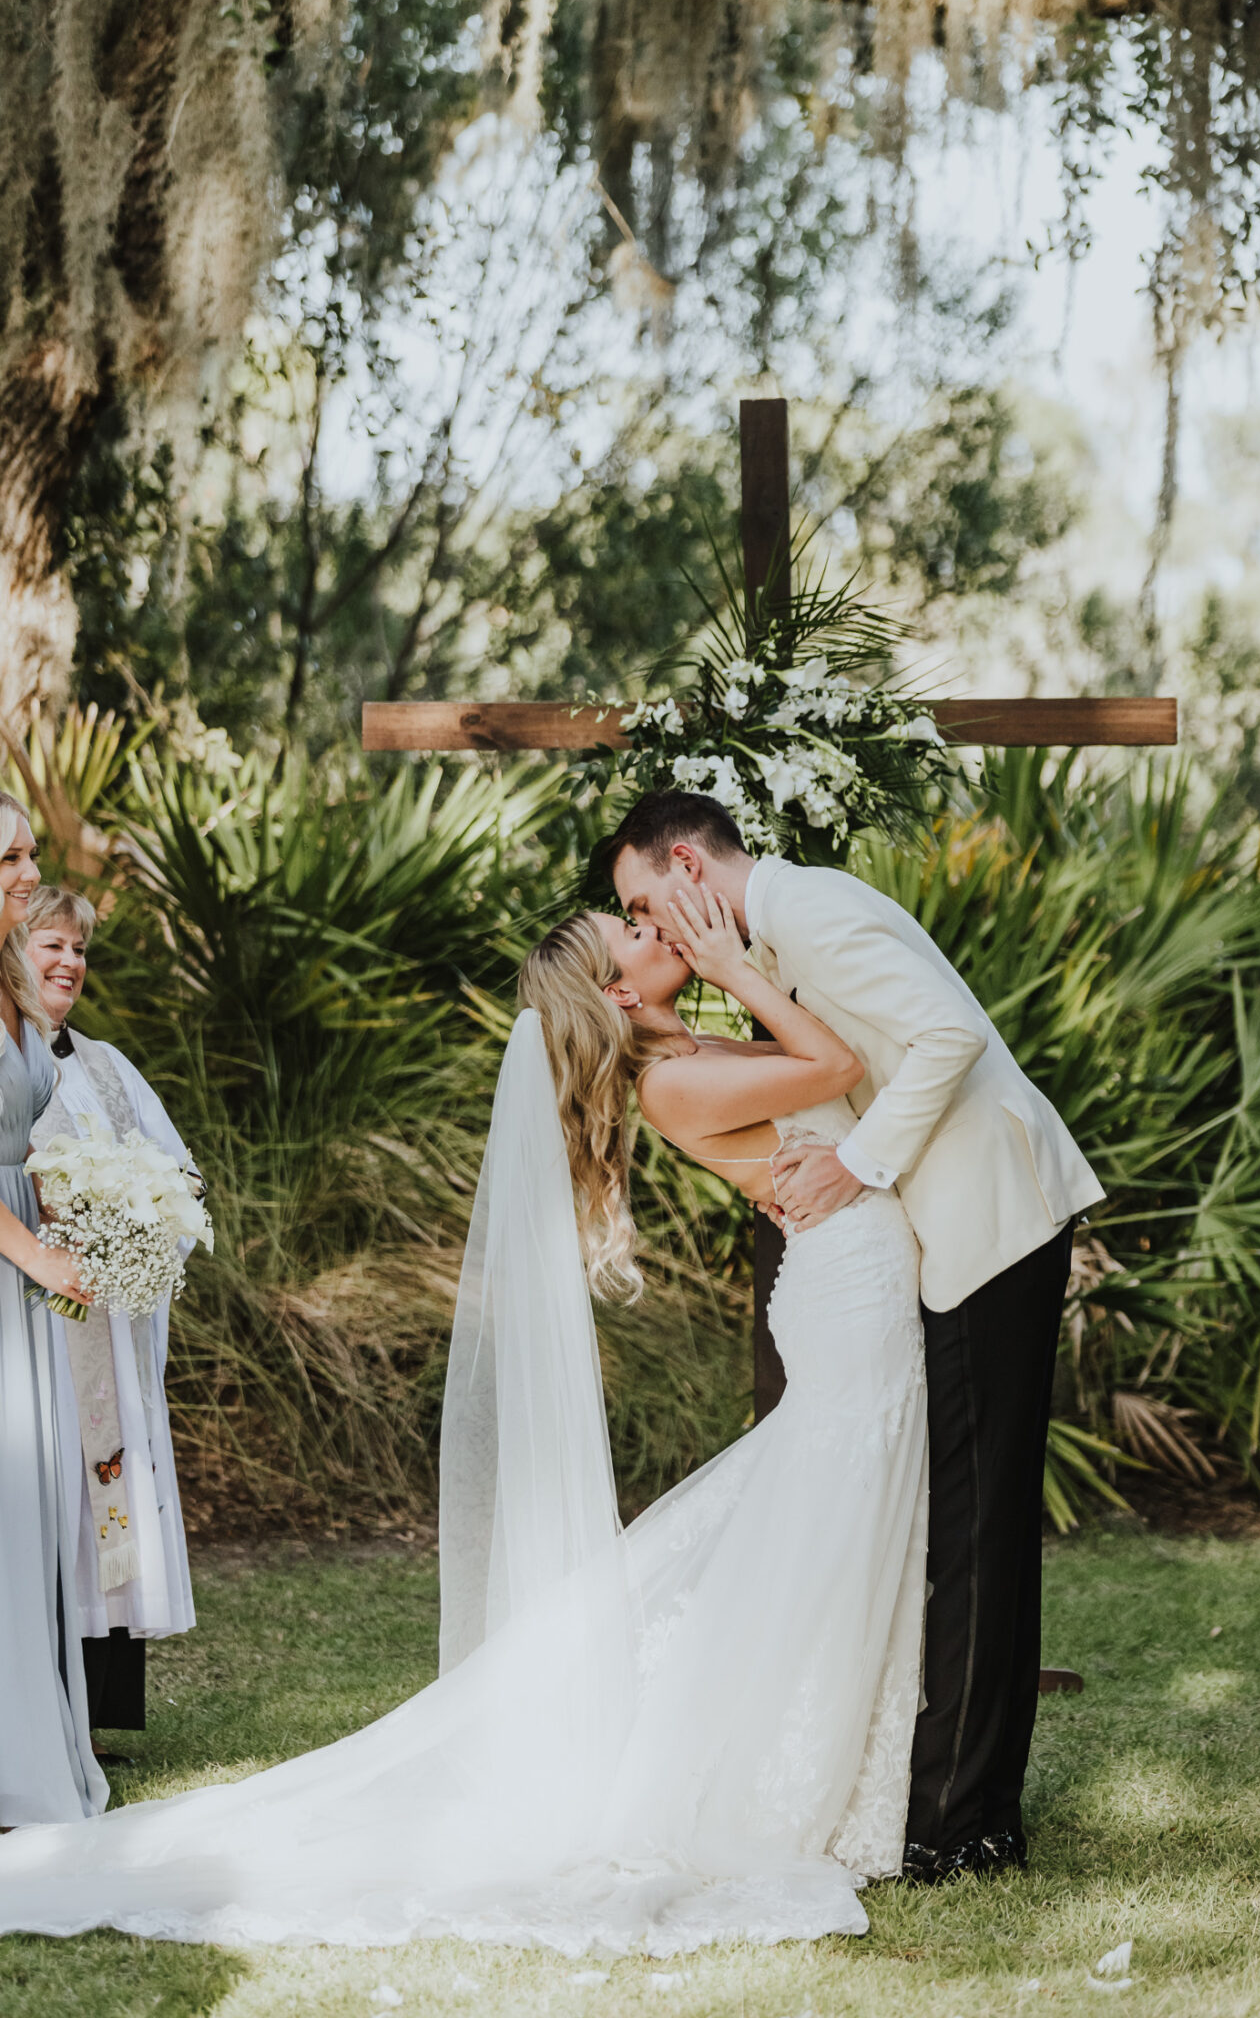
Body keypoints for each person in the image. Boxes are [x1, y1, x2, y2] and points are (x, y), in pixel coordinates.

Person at [0, 885, 929, 1955]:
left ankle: (837, 1759)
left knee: (814, 1520)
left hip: (853, 1284)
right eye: (635, 931)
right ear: (619, 989)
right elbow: (837, 1069)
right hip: (848, 1294)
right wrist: (733, 964)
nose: (659, 927)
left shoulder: (684, 1043)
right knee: (816, 1514)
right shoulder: (672, 1079)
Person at [604, 790, 1104, 1884]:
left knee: (977, 1528)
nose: (647, 927)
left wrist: (854, 1162)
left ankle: (965, 1821)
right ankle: (955, 1806)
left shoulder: (815, 912)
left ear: (687, 863)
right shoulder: (773, 943)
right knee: (962, 1525)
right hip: (936, 1238)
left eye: (643, 901)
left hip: (988, 1222)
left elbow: (946, 1037)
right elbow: (810, 1078)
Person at [25, 886, 197, 1762]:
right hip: (34, 1319)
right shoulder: (7, 1059)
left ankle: (101, 1713)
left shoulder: (105, 1065)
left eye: (80, 950)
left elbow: (174, 1170)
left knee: (110, 1494)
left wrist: (144, 1217)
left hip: (105, 1319)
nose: (69, 964)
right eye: (49, 945)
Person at [0, 796, 107, 1830]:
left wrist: (67, 1201)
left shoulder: (11, 993)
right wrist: (30, 1245)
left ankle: (25, 1742)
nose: (29, 869)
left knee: (28, 1507)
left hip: (26, 1261)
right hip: (7, 1258)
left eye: (29, 849)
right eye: (11, 855)